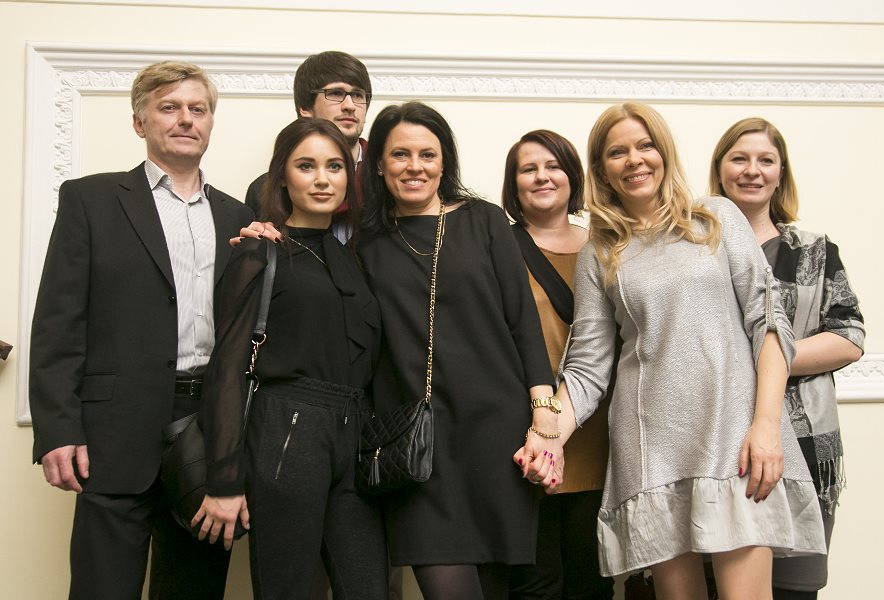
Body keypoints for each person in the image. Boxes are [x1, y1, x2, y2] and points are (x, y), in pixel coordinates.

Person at [516, 102, 827, 600]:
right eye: (617, 152)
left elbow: (769, 324)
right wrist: (549, 435)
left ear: (664, 151)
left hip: (734, 433)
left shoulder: (717, 217)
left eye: (645, 146)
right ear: (601, 169)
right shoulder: (601, 249)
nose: (634, 160)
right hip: (650, 447)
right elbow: (589, 365)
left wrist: (766, 426)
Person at [29, 61, 254, 599]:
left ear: (210, 122)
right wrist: (57, 428)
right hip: (113, 434)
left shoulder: (238, 217)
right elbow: (58, 323)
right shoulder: (90, 200)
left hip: (207, 432)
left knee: (193, 591)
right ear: (139, 122)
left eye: (197, 109)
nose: (185, 119)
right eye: (169, 107)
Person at [354, 101, 554, 600]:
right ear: (378, 164)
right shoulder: (366, 242)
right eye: (400, 154)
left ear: (444, 162)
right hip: (415, 443)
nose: (415, 166)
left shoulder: (484, 220)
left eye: (427, 154)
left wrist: (543, 412)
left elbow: (522, 322)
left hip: (495, 437)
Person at [193, 118, 388, 599]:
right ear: (282, 178)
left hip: (354, 432)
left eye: (335, 166)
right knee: (289, 588)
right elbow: (227, 367)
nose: (322, 179)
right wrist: (224, 479)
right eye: (306, 166)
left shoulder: (352, 256)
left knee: (369, 588)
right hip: (287, 428)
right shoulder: (259, 251)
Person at [708, 117, 864, 599]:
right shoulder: (695, 251)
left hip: (804, 439)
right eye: (739, 158)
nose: (752, 170)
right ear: (719, 169)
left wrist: (765, 359)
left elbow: (849, 335)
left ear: (781, 174)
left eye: (765, 160)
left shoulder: (814, 251)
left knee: (795, 589)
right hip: (717, 441)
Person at [501, 130, 614, 600]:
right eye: (528, 169)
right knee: (537, 584)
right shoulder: (498, 247)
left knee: (594, 583)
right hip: (527, 433)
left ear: (573, 176)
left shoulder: (608, 246)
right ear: (513, 183)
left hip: (600, 432)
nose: (542, 177)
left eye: (554, 166)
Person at [245, 50, 372, 243]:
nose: (350, 105)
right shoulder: (263, 190)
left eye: (357, 95)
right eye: (335, 93)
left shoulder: (387, 179)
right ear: (305, 107)